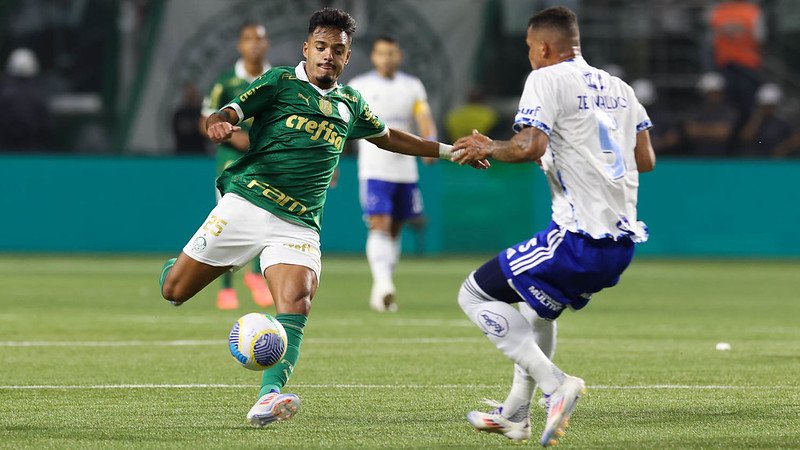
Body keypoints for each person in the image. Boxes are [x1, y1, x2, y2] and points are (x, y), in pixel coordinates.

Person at [159, 8, 488, 428]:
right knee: (174, 290)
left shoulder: (350, 103)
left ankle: (268, 396)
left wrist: (448, 151)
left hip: (298, 223)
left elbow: (388, 137)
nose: (327, 56)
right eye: (320, 47)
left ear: (347, 57)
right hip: (247, 203)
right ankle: (187, 265)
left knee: (298, 299)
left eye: (337, 50)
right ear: (306, 49)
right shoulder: (279, 82)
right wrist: (218, 122)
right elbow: (230, 111)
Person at [450, 6, 655, 447]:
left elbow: (528, 145)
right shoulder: (621, 88)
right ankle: (515, 415)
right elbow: (646, 160)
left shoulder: (545, 78)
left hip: (576, 237)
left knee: (473, 292)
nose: (529, 56)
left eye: (528, 48)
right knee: (537, 308)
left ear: (543, 46)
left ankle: (555, 383)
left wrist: (490, 145)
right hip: (621, 243)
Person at [347, 36, 438, 312]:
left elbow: (424, 117)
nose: (387, 58)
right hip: (374, 168)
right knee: (380, 224)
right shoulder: (359, 86)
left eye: (392, 52)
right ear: (374, 56)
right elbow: (343, 125)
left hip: (405, 170)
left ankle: (380, 291)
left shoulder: (412, 86)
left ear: (399, 55)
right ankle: (384, 285)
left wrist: (429, 143)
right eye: (382, 53)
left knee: (396, 229)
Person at [199, 22, 274, 310]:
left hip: (265, 160)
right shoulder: (226, 82)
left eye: (260, 39)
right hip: (231, 162)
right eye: (248, 39)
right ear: (239, 46)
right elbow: (206, 118)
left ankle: (256, 274)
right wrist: (229, 133)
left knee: (265, 216)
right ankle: (226, 288)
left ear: (267, 45)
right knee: (226, 222)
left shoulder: (275, 79)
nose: (255, 44)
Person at [0, 48, 53, 151]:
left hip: (6, 151)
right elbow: (47, 127)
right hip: (33, 151)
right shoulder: (38, 94)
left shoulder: (3, 93)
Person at [684, 72, 738, 156]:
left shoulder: (729, 111)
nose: (713, 96)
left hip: (724, 157)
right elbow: (691, 132)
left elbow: (723, 133)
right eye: (710, 93)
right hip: (698, 156)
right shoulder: (695, 111)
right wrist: (715, 129)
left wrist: (700, 129)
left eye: (716, 93)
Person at [738, 83, 793, 157]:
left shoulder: (783, 124)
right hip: (752, 160)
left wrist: (784, 148)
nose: (768, 109)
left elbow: (789, 142)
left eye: (770, 106)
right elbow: (746, 137)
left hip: (773, 161)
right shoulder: (752, 120)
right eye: (765, 106)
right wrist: (757, 118)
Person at [171, 82, 207, 155]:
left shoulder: (202, 113)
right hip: (182, 152)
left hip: (200, 152)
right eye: (189, 94)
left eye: (193, 94)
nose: (191, 96)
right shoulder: (180, 114)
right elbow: (176, 133)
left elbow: (207, 133)